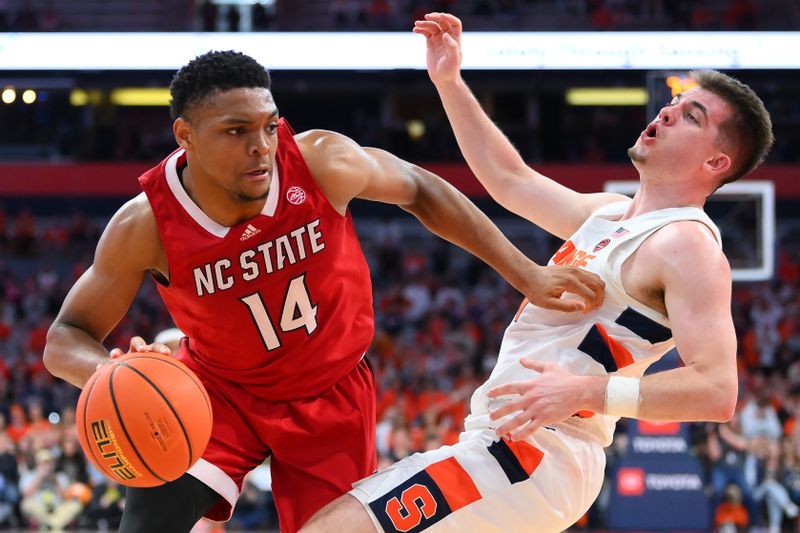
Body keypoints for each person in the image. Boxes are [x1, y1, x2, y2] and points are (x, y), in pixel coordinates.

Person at [42, 50, 603, 533]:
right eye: (236, 132)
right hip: (218, 394)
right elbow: (65, 337)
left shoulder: (319, 161)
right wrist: (108, 374)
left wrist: (525, 272)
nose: (260, 146)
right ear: (184, 135)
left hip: (331, 397)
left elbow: (423, 188)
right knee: (149, 524)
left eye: (267, 125)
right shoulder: (145, 226)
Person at [297, 12, 774, 533]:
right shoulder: (612, 214)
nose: (667, 113)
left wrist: (590, 393)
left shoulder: (687, 243)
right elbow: (509, 179)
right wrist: (449, 81)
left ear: (716, 164)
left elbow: (717, 390)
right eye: (674, 104)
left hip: (540, 453)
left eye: (692, 117)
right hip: (511, 443)